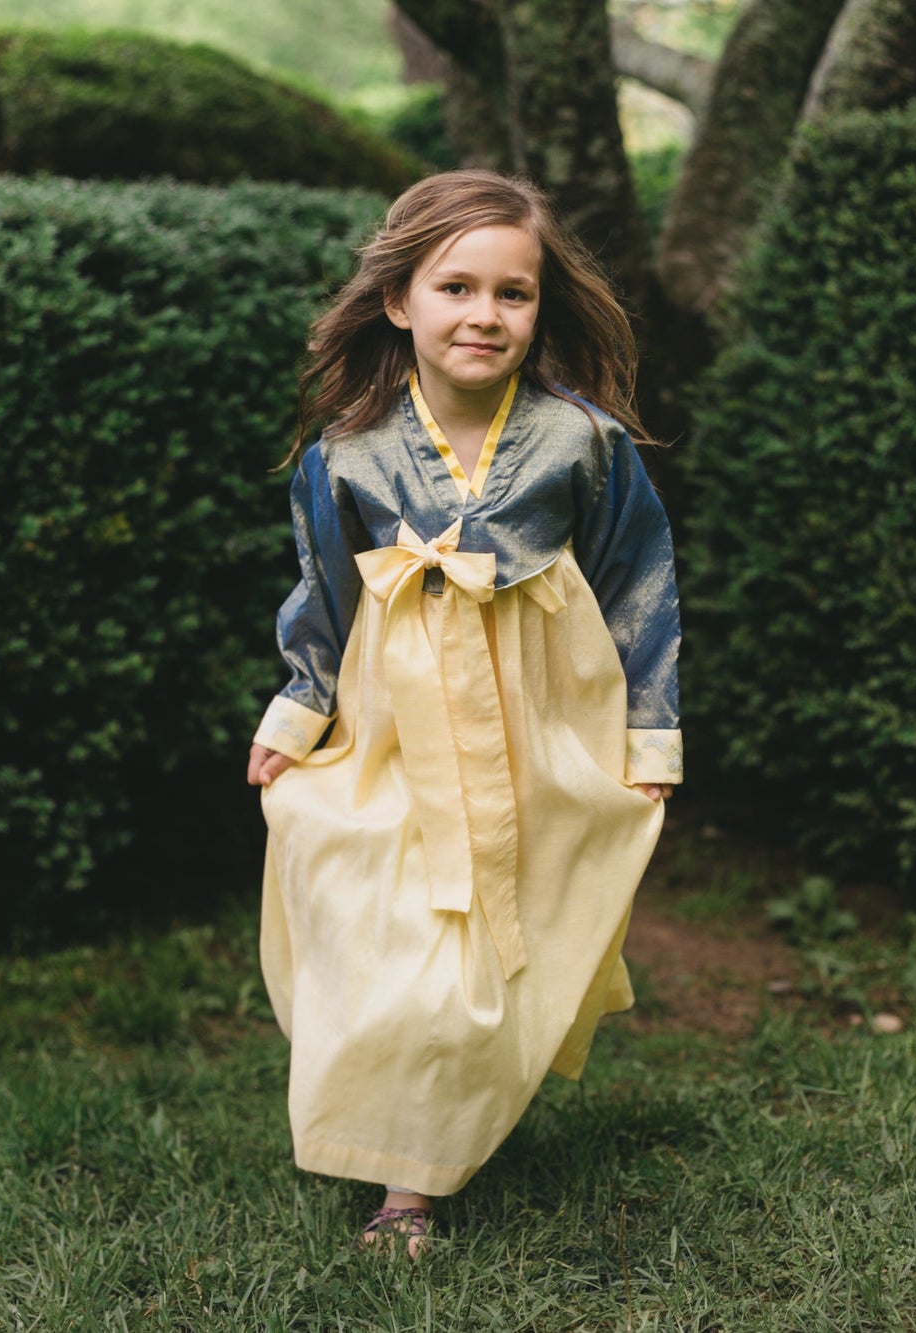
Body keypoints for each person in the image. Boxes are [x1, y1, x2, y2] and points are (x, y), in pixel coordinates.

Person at [245, 168, 682, 1258]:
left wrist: (649, 731)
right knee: (380, 916)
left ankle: (411, 1182)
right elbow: (324, 589)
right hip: (393, 716)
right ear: (401, 301)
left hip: (538, 710)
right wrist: (298, 709)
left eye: (512, 293)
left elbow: (637, 579)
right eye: (455, 287)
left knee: (480, 943)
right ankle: (403, 1114)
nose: (483, 314)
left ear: (540, 309)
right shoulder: (344, 452)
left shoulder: (582, 441)